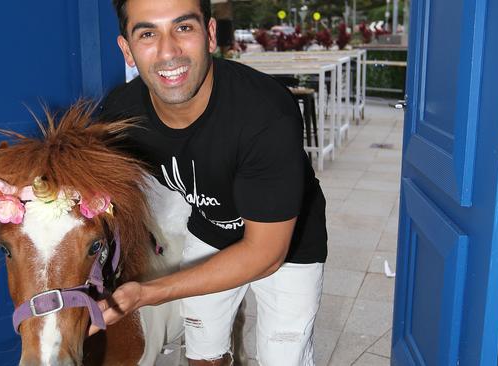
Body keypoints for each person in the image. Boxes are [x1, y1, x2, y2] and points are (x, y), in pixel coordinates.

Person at [97, 0, 328, 364]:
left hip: (288, 241)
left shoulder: (265, 114)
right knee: (203, 353)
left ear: (210, 35)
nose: (168, 51)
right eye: (147, 33)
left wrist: (147, 292)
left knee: (283, 357)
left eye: (183, 27)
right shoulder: (120, 117)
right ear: (127, 49)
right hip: (211, 227)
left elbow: (265, 254)